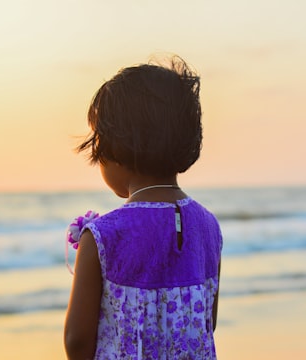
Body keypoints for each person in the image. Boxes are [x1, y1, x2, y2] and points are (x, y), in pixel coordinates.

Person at [64, 56, 222, 360]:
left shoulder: (102, 237)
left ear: (116, 149)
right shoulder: (209, 227)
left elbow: (77, 341)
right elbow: (206, 323)